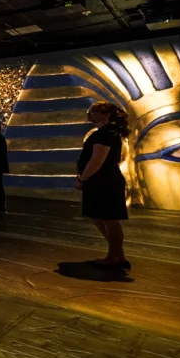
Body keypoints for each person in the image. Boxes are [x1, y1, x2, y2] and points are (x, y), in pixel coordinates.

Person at [75, 101, 130, 269]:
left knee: (109, 219)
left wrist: (82, 179)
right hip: (100, 180)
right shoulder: (105, 133)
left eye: (93, 111)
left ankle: (114, 257)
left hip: (105, 181)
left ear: (105, 114)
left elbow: (97, 161)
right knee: (98, 216)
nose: (89, 114)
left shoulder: (105, 134)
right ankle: (117, 254)